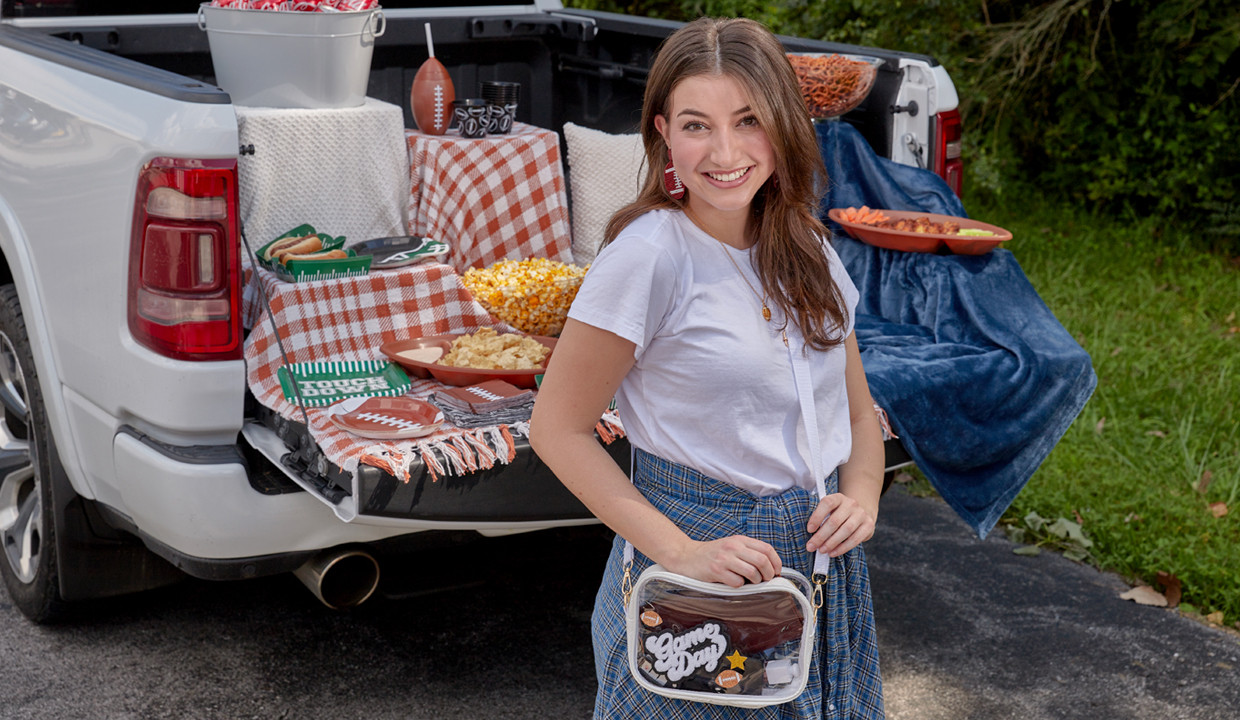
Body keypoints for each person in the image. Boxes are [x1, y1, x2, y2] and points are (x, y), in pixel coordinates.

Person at [529, 16, 885, 719]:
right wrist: (680, 551)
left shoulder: (808, 248)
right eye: (697, 125)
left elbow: (854, 408)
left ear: (783, 128)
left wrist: (863, 495)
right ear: (663, 131)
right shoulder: (649, 254)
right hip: (698, 553)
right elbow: (556, 429)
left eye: (749, 120)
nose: (725, 151)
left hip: (817, 564)